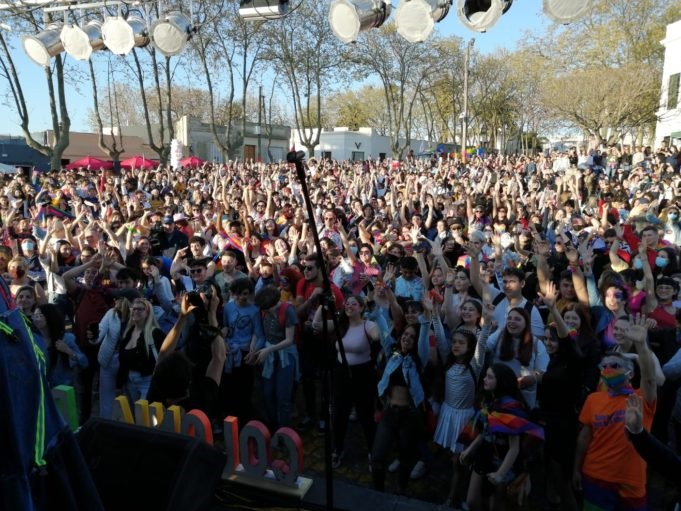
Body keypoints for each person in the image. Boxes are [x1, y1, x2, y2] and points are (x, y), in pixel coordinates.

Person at [572, 315, 657, 511]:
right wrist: (576, 469)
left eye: (615, 366)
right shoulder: (593, 399)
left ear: (631, 374)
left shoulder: (640, 398)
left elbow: (650, 378)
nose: (608, 370)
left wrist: (641, 345)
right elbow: (584, 438)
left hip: (631, 481)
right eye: (605, 366)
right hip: (596, 477)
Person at [461, 363, 543, 511]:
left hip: (502, 460)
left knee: (496, 504)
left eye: (490, 377)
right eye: (486, 376)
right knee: (472, 501)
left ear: (501, 382)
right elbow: (485, 431)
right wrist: (470, 449)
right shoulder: (490, 400)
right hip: (484, 455)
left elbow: (514, 448)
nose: (485, 379)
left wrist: (500, 474)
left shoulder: (511, 408)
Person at [434, 303, 493, 508]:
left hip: (465, 419)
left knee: (458, 461)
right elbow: (440, 338)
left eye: (461, 343)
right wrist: (434, 313)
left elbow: (482, 345)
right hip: (447, 412)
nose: (456, 345)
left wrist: (486, 323)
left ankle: (454, 497)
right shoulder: (448, 360)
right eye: (455, 342)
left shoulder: (474, 366)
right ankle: (456, 488)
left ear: (469, 348)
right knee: (452, 457)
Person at [312, 295, 380, 468]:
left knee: (366, 415)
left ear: (362, 307)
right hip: (341, 374)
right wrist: (323, 306)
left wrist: (377, 319)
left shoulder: (368, 325)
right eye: (347, 303)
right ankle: (338, 449)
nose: (349, 306)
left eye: (354, 304)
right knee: (339, 414)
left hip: (362, 375)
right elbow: (316, 325)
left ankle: (373, 452)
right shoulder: (340, 324)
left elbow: (378, 335)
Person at [370, 319, 430, 495]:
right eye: (405, 334)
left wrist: (428, 315)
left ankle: (401, 489)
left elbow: (424, 336)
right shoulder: (393, 354)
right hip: (390, 413)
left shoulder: (419, 360)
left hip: (410, 416)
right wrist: (380, 308)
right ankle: (378, 492)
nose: (407, 338)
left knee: (406, 458)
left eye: (412, 337)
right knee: (377, 457)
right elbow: (383, 331)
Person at [254, 284, 299, 430]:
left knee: (283, 395)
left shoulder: (288, 310)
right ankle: (272, 426)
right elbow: (258, 332)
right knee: (268, 393)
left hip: (285, 355)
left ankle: (283, 429)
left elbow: (289, 340)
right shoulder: (263, 310)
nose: (265, 311)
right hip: (269, 354)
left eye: (267, 309)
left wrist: (268, 350)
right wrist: (254, 350)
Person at [486, 307, 549, 409]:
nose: (512, 321)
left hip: (522, 398)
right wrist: (486, 323)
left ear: (526, 323)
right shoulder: (500, 334)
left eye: (517, 319)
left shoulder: (536, 343)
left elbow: (545, 374)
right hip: (497, 394)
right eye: (509, 318)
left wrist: (532, 379)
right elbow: (483, 348)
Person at [220, 277, 263, 424]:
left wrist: (253, 351)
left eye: (244, 293)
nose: (241, 297)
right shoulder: (228, 308)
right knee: (229, 389)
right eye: (237, 294)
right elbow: (226, 326)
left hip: (245, 352)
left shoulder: (254, 310)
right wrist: (223, 340)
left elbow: (258, 333)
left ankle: (244, 422)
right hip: (230, 352)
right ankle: (230, 421)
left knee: (245, 389)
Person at [118, 298, 165, 402]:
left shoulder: (156, 334)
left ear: (148, 313)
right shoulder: (128, 333)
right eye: (134, 309)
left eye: (140, 309)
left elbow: (166, 358)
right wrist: (119, 384)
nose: (136, 311)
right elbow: (122, 361)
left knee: (144, 412)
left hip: (147, 382)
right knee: (132, 412)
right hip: (129, 382)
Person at [32, 303, 88, 388]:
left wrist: (68, 351)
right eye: (34, 316)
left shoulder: (66, 338)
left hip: (62, 388)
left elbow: (84, 362)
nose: (36, 319)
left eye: (39, 316)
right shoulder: (33, 338)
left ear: (50, 316)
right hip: (41, 388)